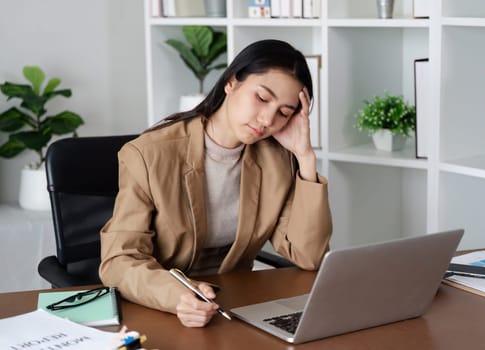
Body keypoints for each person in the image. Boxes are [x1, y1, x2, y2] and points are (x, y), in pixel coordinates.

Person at [99, 39, 332, 328]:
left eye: (284, 112)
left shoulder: (277, 159)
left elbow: (309, 255)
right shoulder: (148, 154)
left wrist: (305, 158)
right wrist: (176, 296)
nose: (267, 119)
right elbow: (119, 260)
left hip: (234, 306)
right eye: (262, 98)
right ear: (231, 82)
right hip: (160, 307)